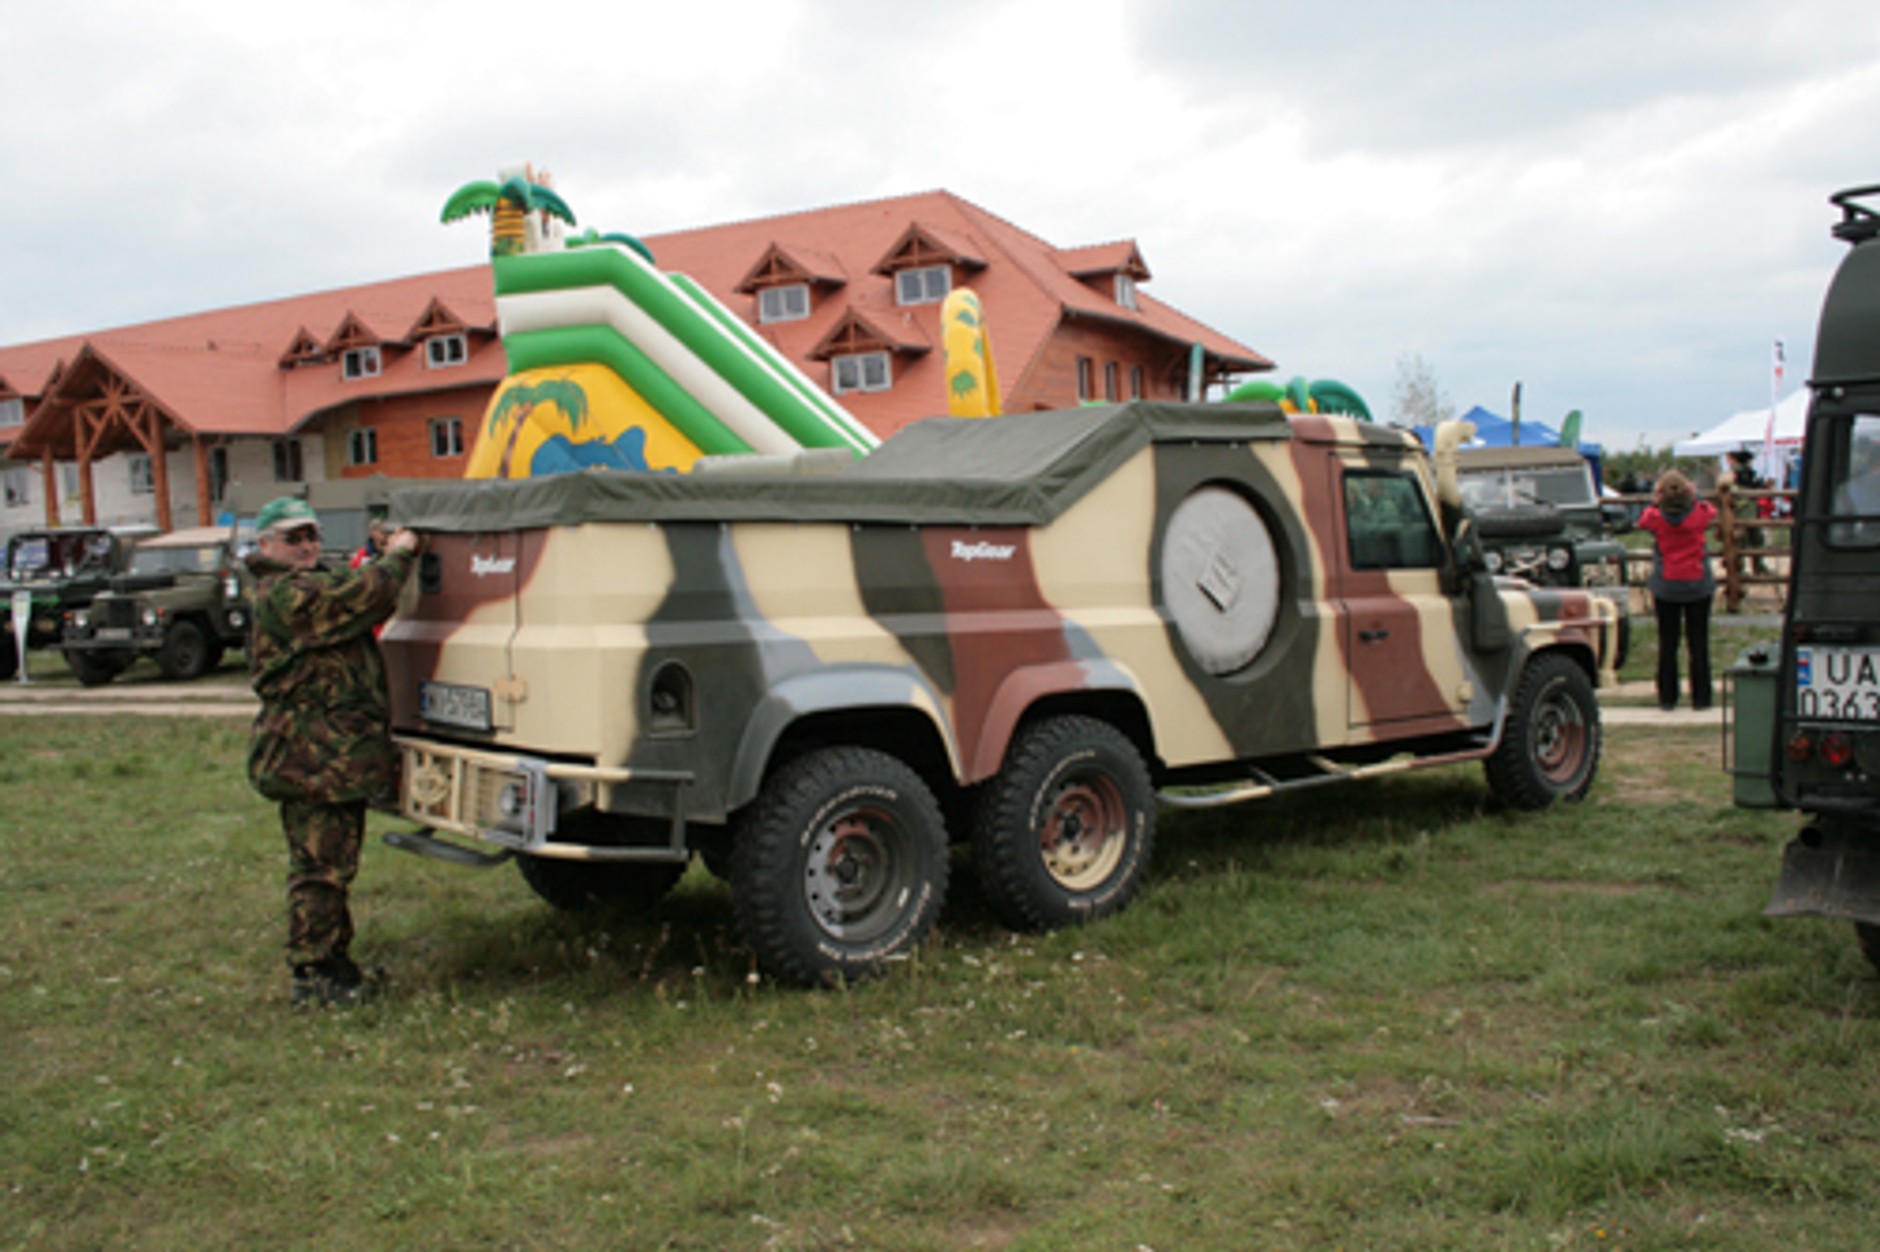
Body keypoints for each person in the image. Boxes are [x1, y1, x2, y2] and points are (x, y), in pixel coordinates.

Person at [245, 496, 420, 1007]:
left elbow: (342, 583)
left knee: (334, 863)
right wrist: (401, 554)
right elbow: (364, 595)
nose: (305, 547)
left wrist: (376, 549)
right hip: (310, 754)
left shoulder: (300, 583)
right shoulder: (282, 594)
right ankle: (315, 973)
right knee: (320, 868)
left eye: (311, 536)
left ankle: (336, 964)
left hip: (327, 753)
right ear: (265, 546)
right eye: (292, 538)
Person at [1638, 470, 1718, 712]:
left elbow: (1642, 521)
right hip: (1698, 582)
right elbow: (1711, 510)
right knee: (1698, 643)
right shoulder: (1699, 514)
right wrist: (1695, 496)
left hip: (1667, 584)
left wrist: (1655, 500)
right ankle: (1701, 698)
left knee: (1668, 643)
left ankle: (1668, 697)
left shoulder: (1655, 517)